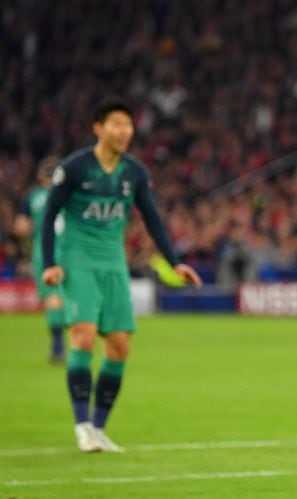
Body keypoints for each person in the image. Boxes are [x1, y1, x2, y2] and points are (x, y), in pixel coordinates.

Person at [41, 100, 202, 453]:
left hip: (114, 261)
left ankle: (99, 429)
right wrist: (49, 264)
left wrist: (174, 262)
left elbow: (152, 217)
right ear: (98, 128)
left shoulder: (135, 172)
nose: (125, 131)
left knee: (119, 346)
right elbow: (49, 216)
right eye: (117, 124)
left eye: (128, 125)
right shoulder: (73, 168)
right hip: (78, 259)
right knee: (82, 336)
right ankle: (82, 426)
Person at [13, 156, 66, 363]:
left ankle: (58, 345)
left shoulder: (32, 197)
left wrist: (30, 238)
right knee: (66, 297)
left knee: (52, 297)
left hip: (44, 251)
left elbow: (20, 227)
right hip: (71, 250)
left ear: (40, 175)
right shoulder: (68, 195)